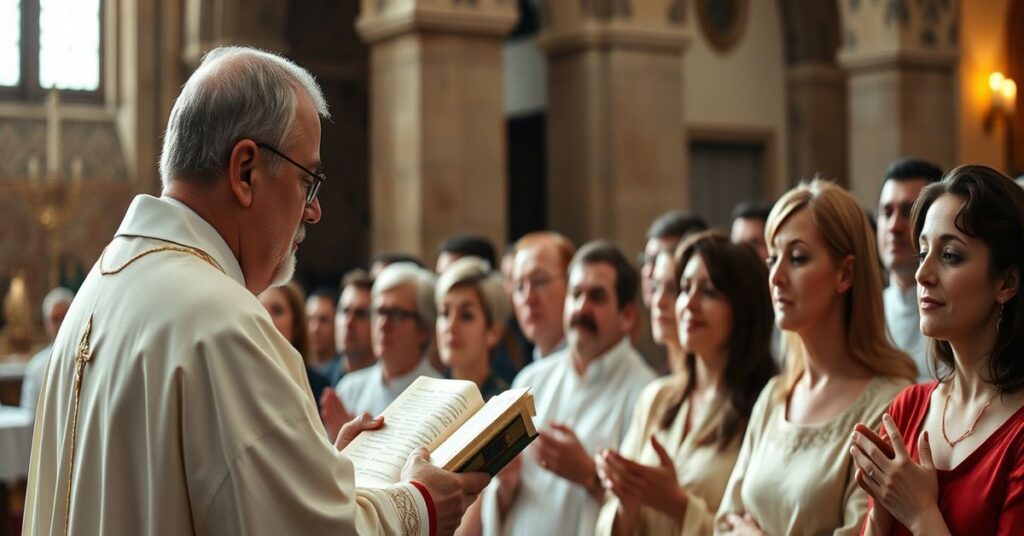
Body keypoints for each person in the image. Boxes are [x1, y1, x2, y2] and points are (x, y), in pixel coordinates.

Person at [23, 46, 487, 535]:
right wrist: (420, 505)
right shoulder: (221, 322)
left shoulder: (98, 290)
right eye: (308, 181)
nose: (314, 211)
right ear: (245, 171)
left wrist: (316, 469)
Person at [715, 179, 917, 535]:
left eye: (797, 258)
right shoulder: (775, 396)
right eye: (772, 258)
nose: (776, 277)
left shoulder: (888, 406)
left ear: (846, 273)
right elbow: (725, 522)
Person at [850, 165, 1024, 534]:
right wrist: (882, 511)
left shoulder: (1018, 435)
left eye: (950, 256)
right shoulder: (907, 408)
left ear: (1006, 282)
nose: (922, 274)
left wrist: (920, 514)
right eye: (923, 252)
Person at [594, 232, 776, 536]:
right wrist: (628, 500)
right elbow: (607, 517)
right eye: (685, 288)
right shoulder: (657, 398)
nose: (688, 304)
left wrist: (677, 505)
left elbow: (748, 529)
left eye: (709, 292)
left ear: (743, 308)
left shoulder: (765, 408)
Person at [475, 240, 657, 536]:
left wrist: (587, 475)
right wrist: (506, 485)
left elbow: (649, 519)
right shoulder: (530, 381)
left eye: (596, 297)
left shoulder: (645, 394)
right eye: (576, 294)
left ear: (626, 315)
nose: (582, 307)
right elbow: (499, 502)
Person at [326, 262, 442, 434]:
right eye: (379, 311)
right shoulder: (349, 389)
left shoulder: (441, 396)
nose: (383, 324)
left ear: (424, 329)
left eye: (396, 314)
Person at [876, 158, 943, 381]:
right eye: (887, 212)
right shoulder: (864, 312)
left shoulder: (959, 315)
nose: (894, 226)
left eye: (908, 211)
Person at [435, 256, 511, 400]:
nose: (451, 326)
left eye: (466, 316)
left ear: (494, 331)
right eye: (444, 313)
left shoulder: (504, 405)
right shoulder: (426, 398)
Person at [259, 283, 331, 410]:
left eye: (277, 311)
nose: (267, 318)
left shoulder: (318, 387)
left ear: (296, 325)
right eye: (260, 309)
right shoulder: (239, 377)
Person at [510, 231, 575, 362]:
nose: (528, 298)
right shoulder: (527, 376)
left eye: (539, 281)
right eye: (520, 287)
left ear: (571, 284)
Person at [20, 287, 74, 414]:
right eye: (55, 319)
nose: (61, 323)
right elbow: (29, 414)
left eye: (65, 316)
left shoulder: (88, 357)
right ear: (46, 323)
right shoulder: (36, 366)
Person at [306, 287, 343, 385]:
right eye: (309, 319)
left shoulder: (345, 375)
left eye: (323, 320)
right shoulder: (294, 368)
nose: (314, 329)